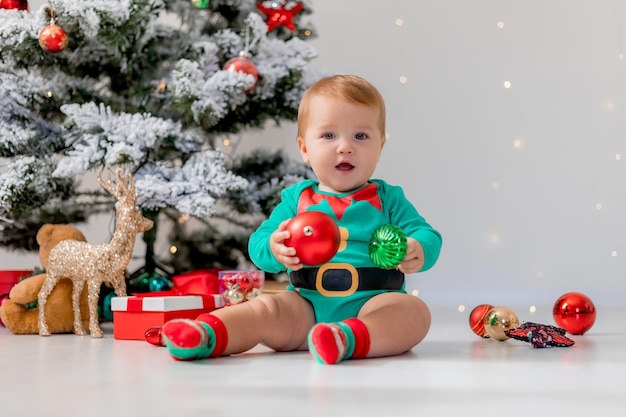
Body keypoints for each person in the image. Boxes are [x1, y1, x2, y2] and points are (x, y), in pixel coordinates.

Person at [159, 74, 442, 364]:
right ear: (305, 148)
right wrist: (275, 247)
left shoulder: (388, 198)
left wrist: (416, 248)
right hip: (305, 305)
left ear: (380, 147)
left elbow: (427, 234)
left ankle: (348, 339)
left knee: (413, 313)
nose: (345, 147)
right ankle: (206, 333)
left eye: (361, 136)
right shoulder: (296, 200)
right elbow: (259, 245)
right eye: (329, 135)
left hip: (373, 301)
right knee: (266, 308)